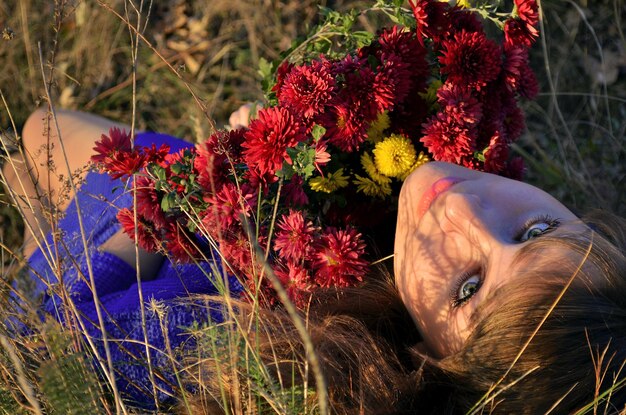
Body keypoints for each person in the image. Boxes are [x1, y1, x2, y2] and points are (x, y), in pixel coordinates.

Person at [2, 108, 625, 413]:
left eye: (468, 287)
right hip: (224, 244)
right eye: (538, 228)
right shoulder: (404, 254)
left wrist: (192, 187)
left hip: (103, 305)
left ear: (433, 363)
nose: (463, 210)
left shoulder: (238, 351)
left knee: (46, 139)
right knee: (47, 136)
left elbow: (47, 341)